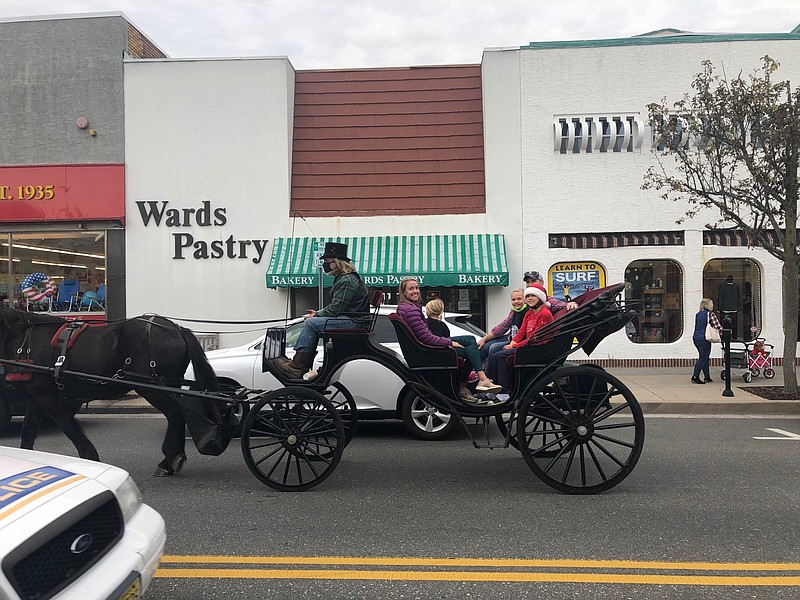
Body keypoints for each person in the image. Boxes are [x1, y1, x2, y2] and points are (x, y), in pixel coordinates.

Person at [276, 241, 370, 378]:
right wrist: (318, 314)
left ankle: (298, 365)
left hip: (354, 321)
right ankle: (301, 363)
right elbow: (337, 307)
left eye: (327, 261)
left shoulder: (347, 280)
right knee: (314, 322)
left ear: (337, 262)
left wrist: (316, 316)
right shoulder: (344, 278)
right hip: (352, 319)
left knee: (311, 323)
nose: (325, 265)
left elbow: (336, 309)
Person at [396, 277, 484, 403]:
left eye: (416, 288)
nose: (415, 291)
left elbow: (425, 335)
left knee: (470, 341)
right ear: (404, 292)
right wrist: (449, 343)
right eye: (411, 288)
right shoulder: (411, 311)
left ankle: (479, 379)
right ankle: (467, 385)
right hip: (429, 351)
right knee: (474, 351)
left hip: (424, 348)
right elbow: (426, 338)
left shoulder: (408, 308)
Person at [487, 284, 554, 394]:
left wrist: (514, 346)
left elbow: (534, 338)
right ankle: (493, 387)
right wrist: (512, 343)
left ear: (540, 298)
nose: (530, 299)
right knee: (495, 354)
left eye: (533, 296)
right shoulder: (529, 313)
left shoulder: (545, 314)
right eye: (528, 296)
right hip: (527, 346)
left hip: (537, 348)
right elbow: (522, 331)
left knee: (500, 356)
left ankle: (504, 392)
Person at [425, 298, 500, 393]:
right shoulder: (441, 325)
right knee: (471, 342)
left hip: (438, 350)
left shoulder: (426, 324)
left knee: (472, 354)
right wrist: (450, 343)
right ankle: (472, 382)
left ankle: (465, 387)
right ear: (440, 310)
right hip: (441, 350)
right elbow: (441, 340)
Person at [477, 288, 528, 366]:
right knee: (485, 346)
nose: (516, 302)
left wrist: (512, 345)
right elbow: (502, 327)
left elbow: (522, 332)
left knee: (494, 347)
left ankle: (491, 374)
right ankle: (478, 370)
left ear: (525, 300)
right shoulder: (514, 311)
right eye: (513, 299)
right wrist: (484, 339)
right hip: (511, 338)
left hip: (518, 342)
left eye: (519, 299)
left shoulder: (528, 312)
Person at [691, 298, 722, 384]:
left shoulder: (698, 314)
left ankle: (707, 376)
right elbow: (717, 326)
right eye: (711, 304)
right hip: (704, 338)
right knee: (703, 358)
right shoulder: (710, 314)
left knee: (704, 357)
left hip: (696, 338)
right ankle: (695, 376)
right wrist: (724, 332)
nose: (713, 306)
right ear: (708, 305)